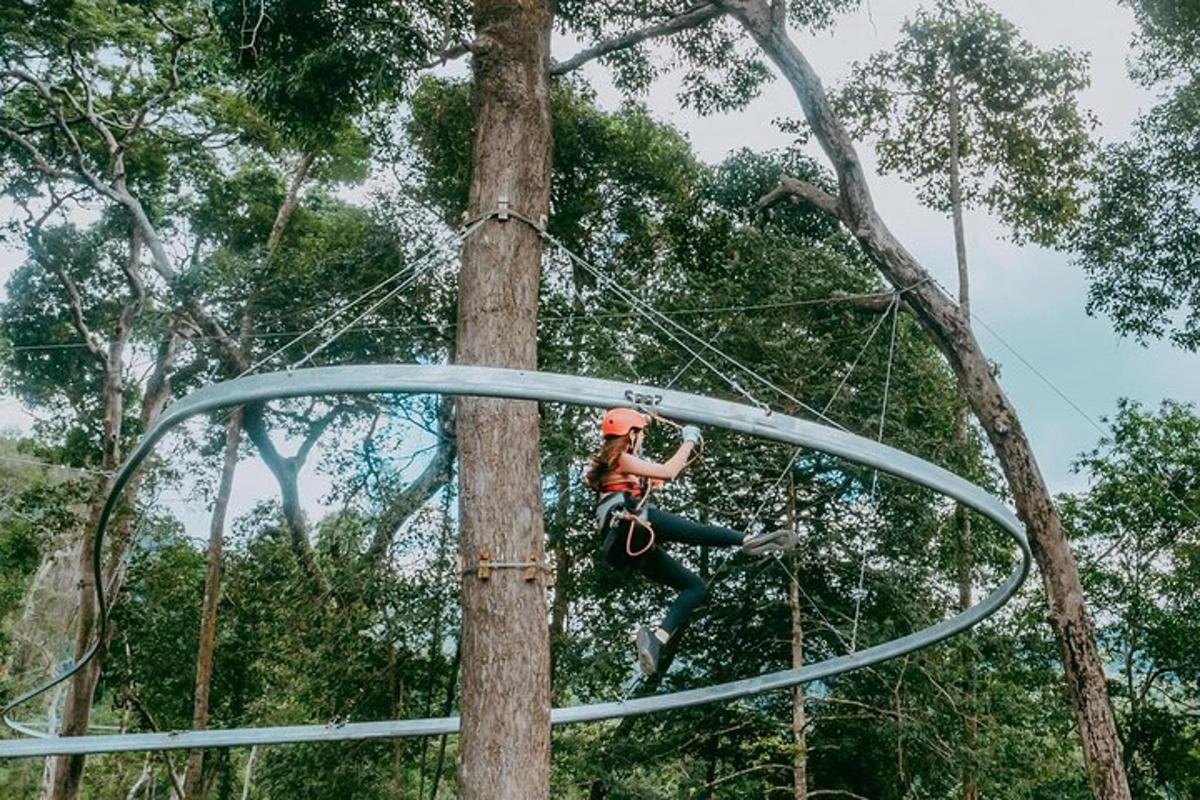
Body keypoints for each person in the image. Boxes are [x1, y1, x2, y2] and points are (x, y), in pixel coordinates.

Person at [585, 407, 796, 676]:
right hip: (632, 528)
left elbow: (653, 475)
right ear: (631, 436)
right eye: (641, 435)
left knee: (695, 587)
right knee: (692, 530)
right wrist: (689, 439)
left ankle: (656, 641)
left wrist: (648, 416)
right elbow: (668, 472)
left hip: (629, 548)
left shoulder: (615, 465)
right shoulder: (621, 460)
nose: (643, 441)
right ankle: (746, 540)